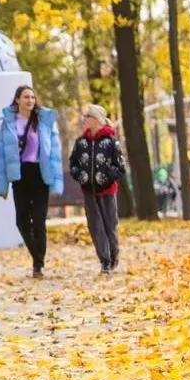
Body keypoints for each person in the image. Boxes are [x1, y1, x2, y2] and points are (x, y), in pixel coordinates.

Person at [0, 85, 63, 278]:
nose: (30, 101)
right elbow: (1, 155)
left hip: (40, 173)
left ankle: (38, 264)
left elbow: (55, 154)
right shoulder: (8, 122)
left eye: (33, 97)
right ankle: (37, 255)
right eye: (26, 97)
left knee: (39, 220)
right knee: (22, 221)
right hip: (20, 174)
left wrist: (56, 182)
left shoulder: (45, 120)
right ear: (17, 100)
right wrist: (2, 186)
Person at [68, 105, 127, 274]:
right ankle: (105, 261)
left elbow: (120, 167)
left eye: (87, 115)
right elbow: (73, 164)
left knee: (110, 225)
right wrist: (81, 176)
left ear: (96, 119)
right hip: (89, 192)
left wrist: (106, 176)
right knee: (95, 227)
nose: (84, 118)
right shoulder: (81, 143)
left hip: (107, 191)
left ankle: (114, 253)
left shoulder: (111, 142)